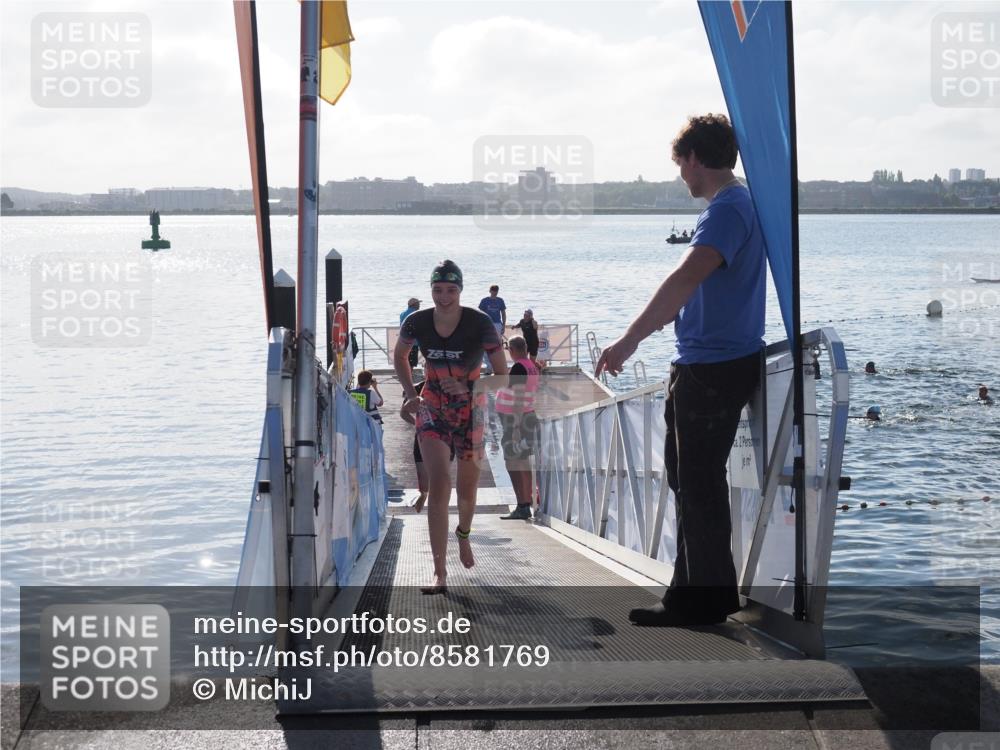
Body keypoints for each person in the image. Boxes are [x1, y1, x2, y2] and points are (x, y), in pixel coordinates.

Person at [596, 113, 765, 627]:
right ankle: (693, 594)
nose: (681, 176)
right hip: (712, 361)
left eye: (681, 165)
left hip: (713, 366)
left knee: (698, 483)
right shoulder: (737, 205)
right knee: (690, 480)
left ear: (695, 158)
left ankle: (702, 601)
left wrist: (628, 340)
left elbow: (684, 279)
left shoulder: (727, 208)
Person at [394, 260, 507, 594]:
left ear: (460, 290)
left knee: (467, 492)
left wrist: (472, 388)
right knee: (440, 484)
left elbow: (502, 376)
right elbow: (400, 356)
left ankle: (464, 535)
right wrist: (412, 394)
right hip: (432, 407)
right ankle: (439, 571)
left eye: (451, 290)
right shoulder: (416, 322)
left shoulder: (481, 323)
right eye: (438, 290)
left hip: (471, 411)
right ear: (431, 290)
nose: (444, 297)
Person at [497, 337, 541, 520]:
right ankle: (527, 501)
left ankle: (522, 505)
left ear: (512, 349)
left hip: (516, 419)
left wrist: (514, 425)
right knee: (522, 460)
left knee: (513, 462)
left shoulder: (519, 367)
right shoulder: (532, 365)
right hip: (527, 414)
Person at [399, 380, 430, 512]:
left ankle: (437, 504)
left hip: (443, 437)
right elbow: (403, 412)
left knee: (440, 475)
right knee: (422, 476)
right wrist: (417, 424)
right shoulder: (417, 388)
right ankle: (423, 495)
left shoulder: (447, 383)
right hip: (422, 436)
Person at [399, 297, 421, 368]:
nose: (419, 305)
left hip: (403, 341)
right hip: (413, 342)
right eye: (418, 304)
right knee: (411, 363)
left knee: (404, 361)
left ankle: (404, 377)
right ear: (414, 305)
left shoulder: (402, 314)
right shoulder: (416, 313)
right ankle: (409, 377)